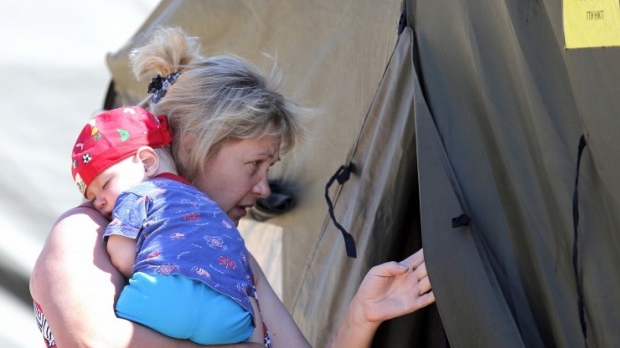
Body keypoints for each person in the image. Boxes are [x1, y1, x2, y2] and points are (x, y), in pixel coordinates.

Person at [30, 26, 435, 348]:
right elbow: (91, 341)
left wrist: (361, 316)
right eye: (254, 164)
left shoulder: (233, 256)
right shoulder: (85, 232)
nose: (263, 188)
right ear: (195, 145)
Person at [69, 105, 264, 345]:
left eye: (106, 183)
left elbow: (121, 253)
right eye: (92, 196)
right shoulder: (211, 206)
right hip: (228, 318)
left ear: (147, 162)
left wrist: (153, 275)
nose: (98, 202)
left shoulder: (138, 194)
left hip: (158, 298)